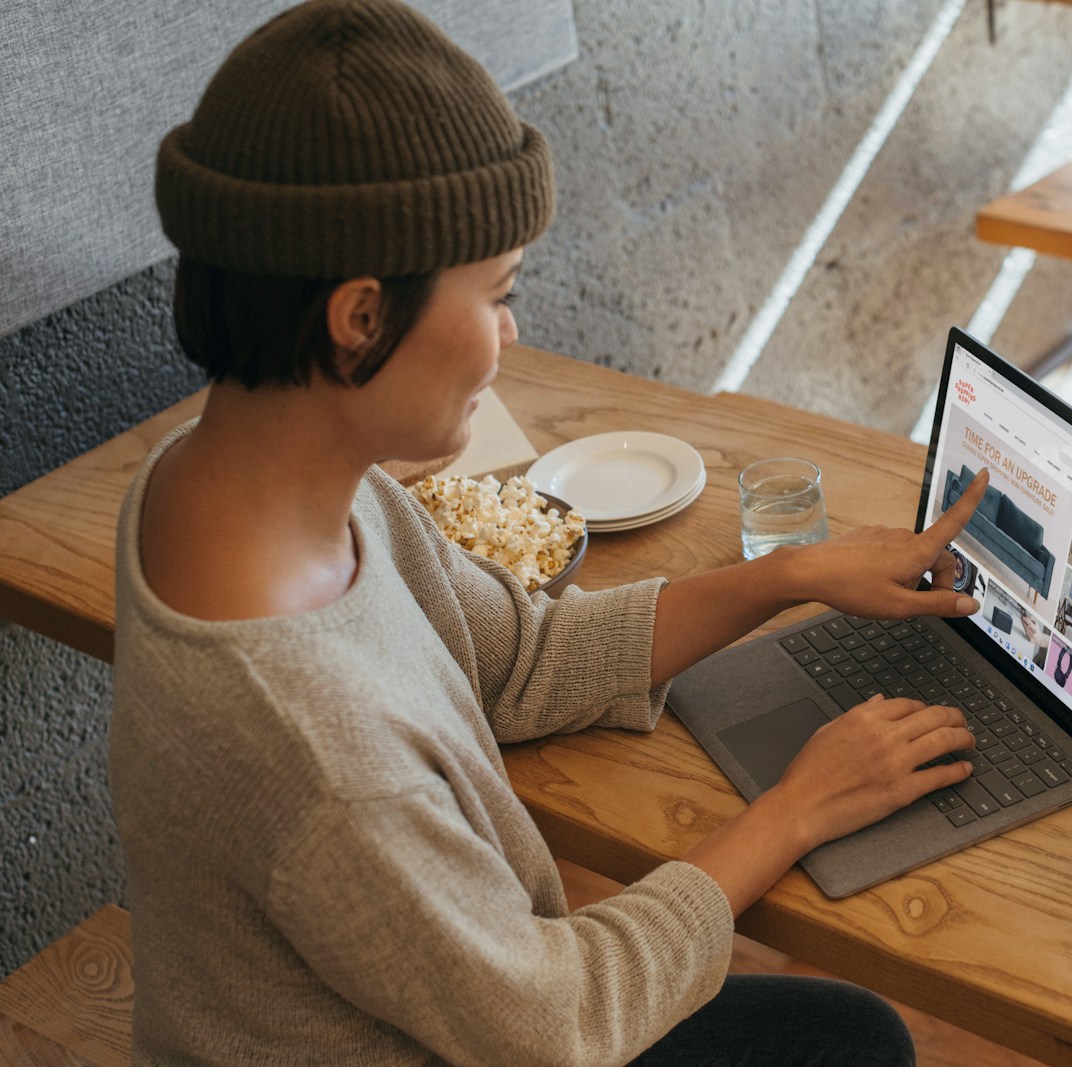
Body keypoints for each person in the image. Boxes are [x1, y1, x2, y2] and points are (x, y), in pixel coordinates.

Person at [109, 1, 994, 1063]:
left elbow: (516, 656)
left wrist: (790, 576)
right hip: (506, 1033)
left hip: (456, 1009)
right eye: (497, 293)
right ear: (358, 315)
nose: (510, 335)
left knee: (838, 1030)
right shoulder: (322, 748)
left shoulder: (239, 481)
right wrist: (797, 808)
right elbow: (557, 1023)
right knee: (851, 1040)